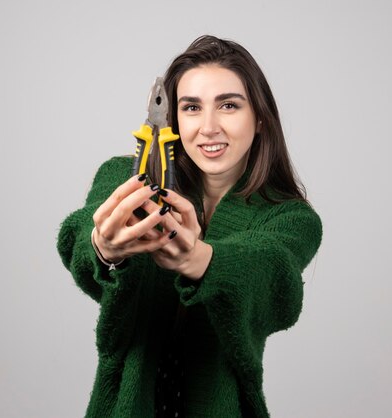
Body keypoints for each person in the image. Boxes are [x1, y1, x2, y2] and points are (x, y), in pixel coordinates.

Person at [57, 35, 322, 418]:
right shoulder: (123, 176)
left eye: (229, 105)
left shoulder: (290, 217)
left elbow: (272, 276)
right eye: (192, 108)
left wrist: (201, 260)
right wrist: (102, 245)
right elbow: (79, 236)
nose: (209, 127)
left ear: (260, 118)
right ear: (175, 119)